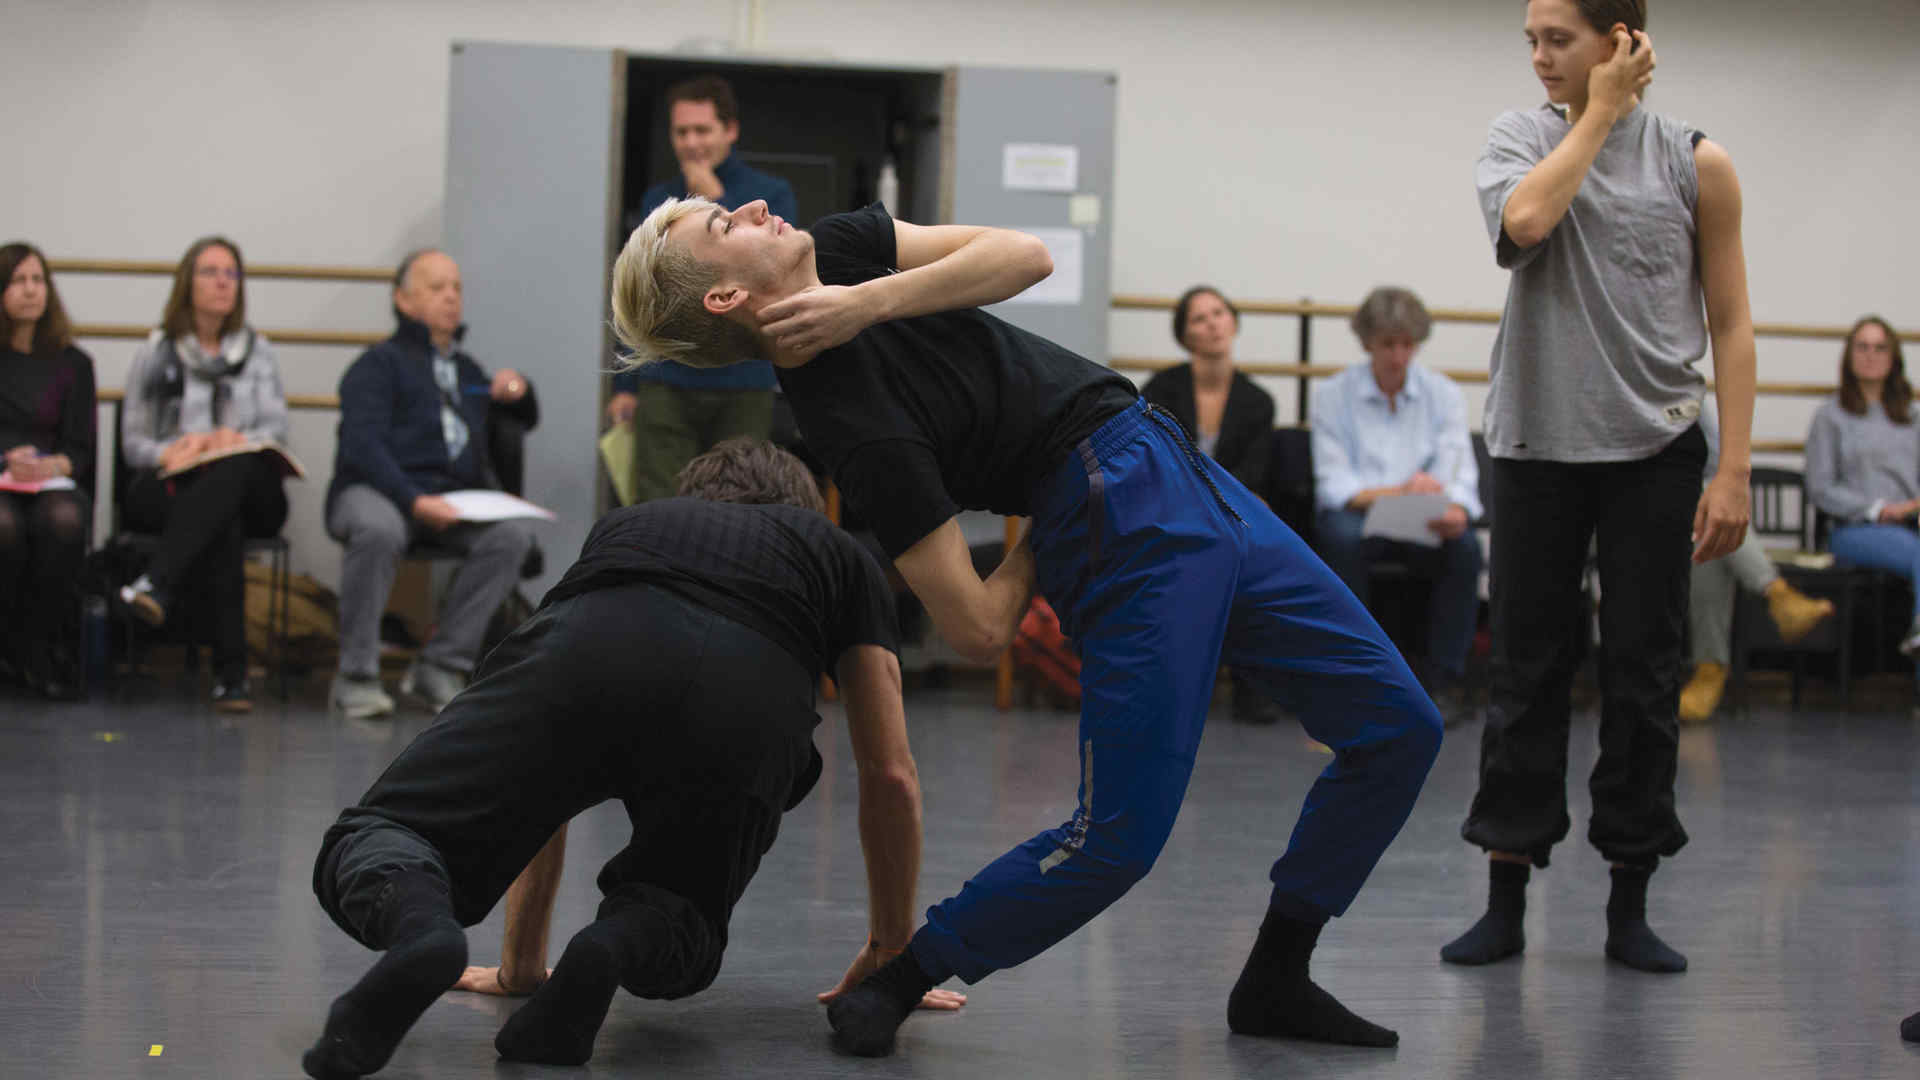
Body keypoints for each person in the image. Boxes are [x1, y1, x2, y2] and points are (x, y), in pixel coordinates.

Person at [611, 196, 1443, 1055]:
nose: (751, 206)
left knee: (1399, 727)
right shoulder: (850, 422)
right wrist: (1053, 532)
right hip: (1118, 508)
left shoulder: (841, 248)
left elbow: (1025, 256)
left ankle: (1277, 972)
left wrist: (868, 300)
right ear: (726, 299)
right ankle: (905, 976)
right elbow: (974, 627)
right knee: (1115, 839)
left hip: (1181, 470)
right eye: (723, 227)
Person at [303, 440, 939, 1078]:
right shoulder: (838, 553)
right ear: (801, 510)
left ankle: (420, 927)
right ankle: (611, 944)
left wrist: (520, 964)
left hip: (593, 643)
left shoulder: (633, 525)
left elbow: (544, 783)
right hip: (746, 692)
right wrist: (892, 951)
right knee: (680, 908)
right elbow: (890, 774)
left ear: (695, 497)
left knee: (385, 835)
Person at [1444, 0, 1756, 976]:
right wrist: (1595, 115)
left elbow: (1735, 322)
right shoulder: (1518, 138)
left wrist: (1734, 468)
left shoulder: (1696, 162)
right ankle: (1506, 895)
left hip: (1655, 449)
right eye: (1530, 39)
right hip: (1536, 441)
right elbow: (1527, 221)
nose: (1538, 56)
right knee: (1527, 669)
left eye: (1559, 39)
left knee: (1643, 672)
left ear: (1621, 40)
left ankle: (1629, 903)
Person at [325, 250, 538, 719]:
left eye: (457, 288)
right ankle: (355, 674)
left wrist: (519, 389)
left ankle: (440, 665)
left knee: (512, 537)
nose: (451, 297)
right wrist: (413, 500)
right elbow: (363, 448)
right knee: (379, 530)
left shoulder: (467, 372)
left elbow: (524, 417)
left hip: (448, 497)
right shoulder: (376, 366)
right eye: (437, 287)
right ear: (403, 300)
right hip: (375, 490)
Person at [604, 75, 798, 505]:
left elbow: (779, 274)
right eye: (681, 132)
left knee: (743, 497)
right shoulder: (659, 199)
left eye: (702, 130)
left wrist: (716, 200)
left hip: (745, 377)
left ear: (730, 130)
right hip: (668, 379)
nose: (691, 142)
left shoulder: (771, 195)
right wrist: (627, 387)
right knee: (660, 500)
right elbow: (639, 296)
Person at [116, 236, 290, 712]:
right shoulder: (157, 351)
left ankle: (157, 582)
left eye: (231, 273)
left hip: (252, 485)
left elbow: (277, 428)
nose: (222, 283)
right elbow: (132, 444)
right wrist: (175, 448)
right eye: (210, 272)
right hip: (179, 484)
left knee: (231, 473)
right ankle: (232, 678)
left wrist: (230, 440)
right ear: (186, 283)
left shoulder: (259, 351)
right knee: (220, 520)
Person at [1310, 287, 1483, 723]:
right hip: (1360, 517)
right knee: (1339, 536)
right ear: (1367, 343)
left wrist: (1457, 510)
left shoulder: (1442, 393)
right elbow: (1335, 487)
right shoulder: (1333, 394)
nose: (1399, 356)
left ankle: (1445, 680)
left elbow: (1461, 474)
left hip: (1420, 516)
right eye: (1389, 344)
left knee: (1464, 548)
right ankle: (1356, 678)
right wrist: (1403, 493)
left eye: (1407, 344)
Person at [1141, 285, 1284, 724]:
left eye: (1219, 313)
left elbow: (1255, 477)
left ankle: (1248, 684)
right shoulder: (1161, 388)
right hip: (1173, 511)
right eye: (1199, 318)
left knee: (1247, 551)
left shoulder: (1258, 401)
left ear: (1234, 322)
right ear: (1185, 335)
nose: (1212, 323)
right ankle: (1172, 685)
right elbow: (1155, 466)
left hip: (1231, 512)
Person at [1678, 402, 1832, 723]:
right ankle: (1777, 594)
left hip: (1682, 512)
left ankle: (1710, 671)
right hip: (1618, 506)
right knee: (1707, 513)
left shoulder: (1682, 388)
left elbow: (1717, 459)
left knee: (1709, 528)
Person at [0, 242, 95, 700]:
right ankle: (8, 648)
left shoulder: (74, 364)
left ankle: (41, 650)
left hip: (50, 480)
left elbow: (82, 447)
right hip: (1, 480)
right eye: (18, 281)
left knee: (63, 520)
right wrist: (7, 461)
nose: (30, 291)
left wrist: (54, 463)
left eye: (38, 280)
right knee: (3, 526)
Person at [1805, 316, 1920, 667]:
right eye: (1863, 346)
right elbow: (1820, 488)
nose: (1871, 355)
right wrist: (1880, 510)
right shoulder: (1830, 416)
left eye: (1880, 347)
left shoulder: (1912, 417)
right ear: (1850, 356)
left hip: (1910, 526)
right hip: (1854, 530)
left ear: (1893, 358)